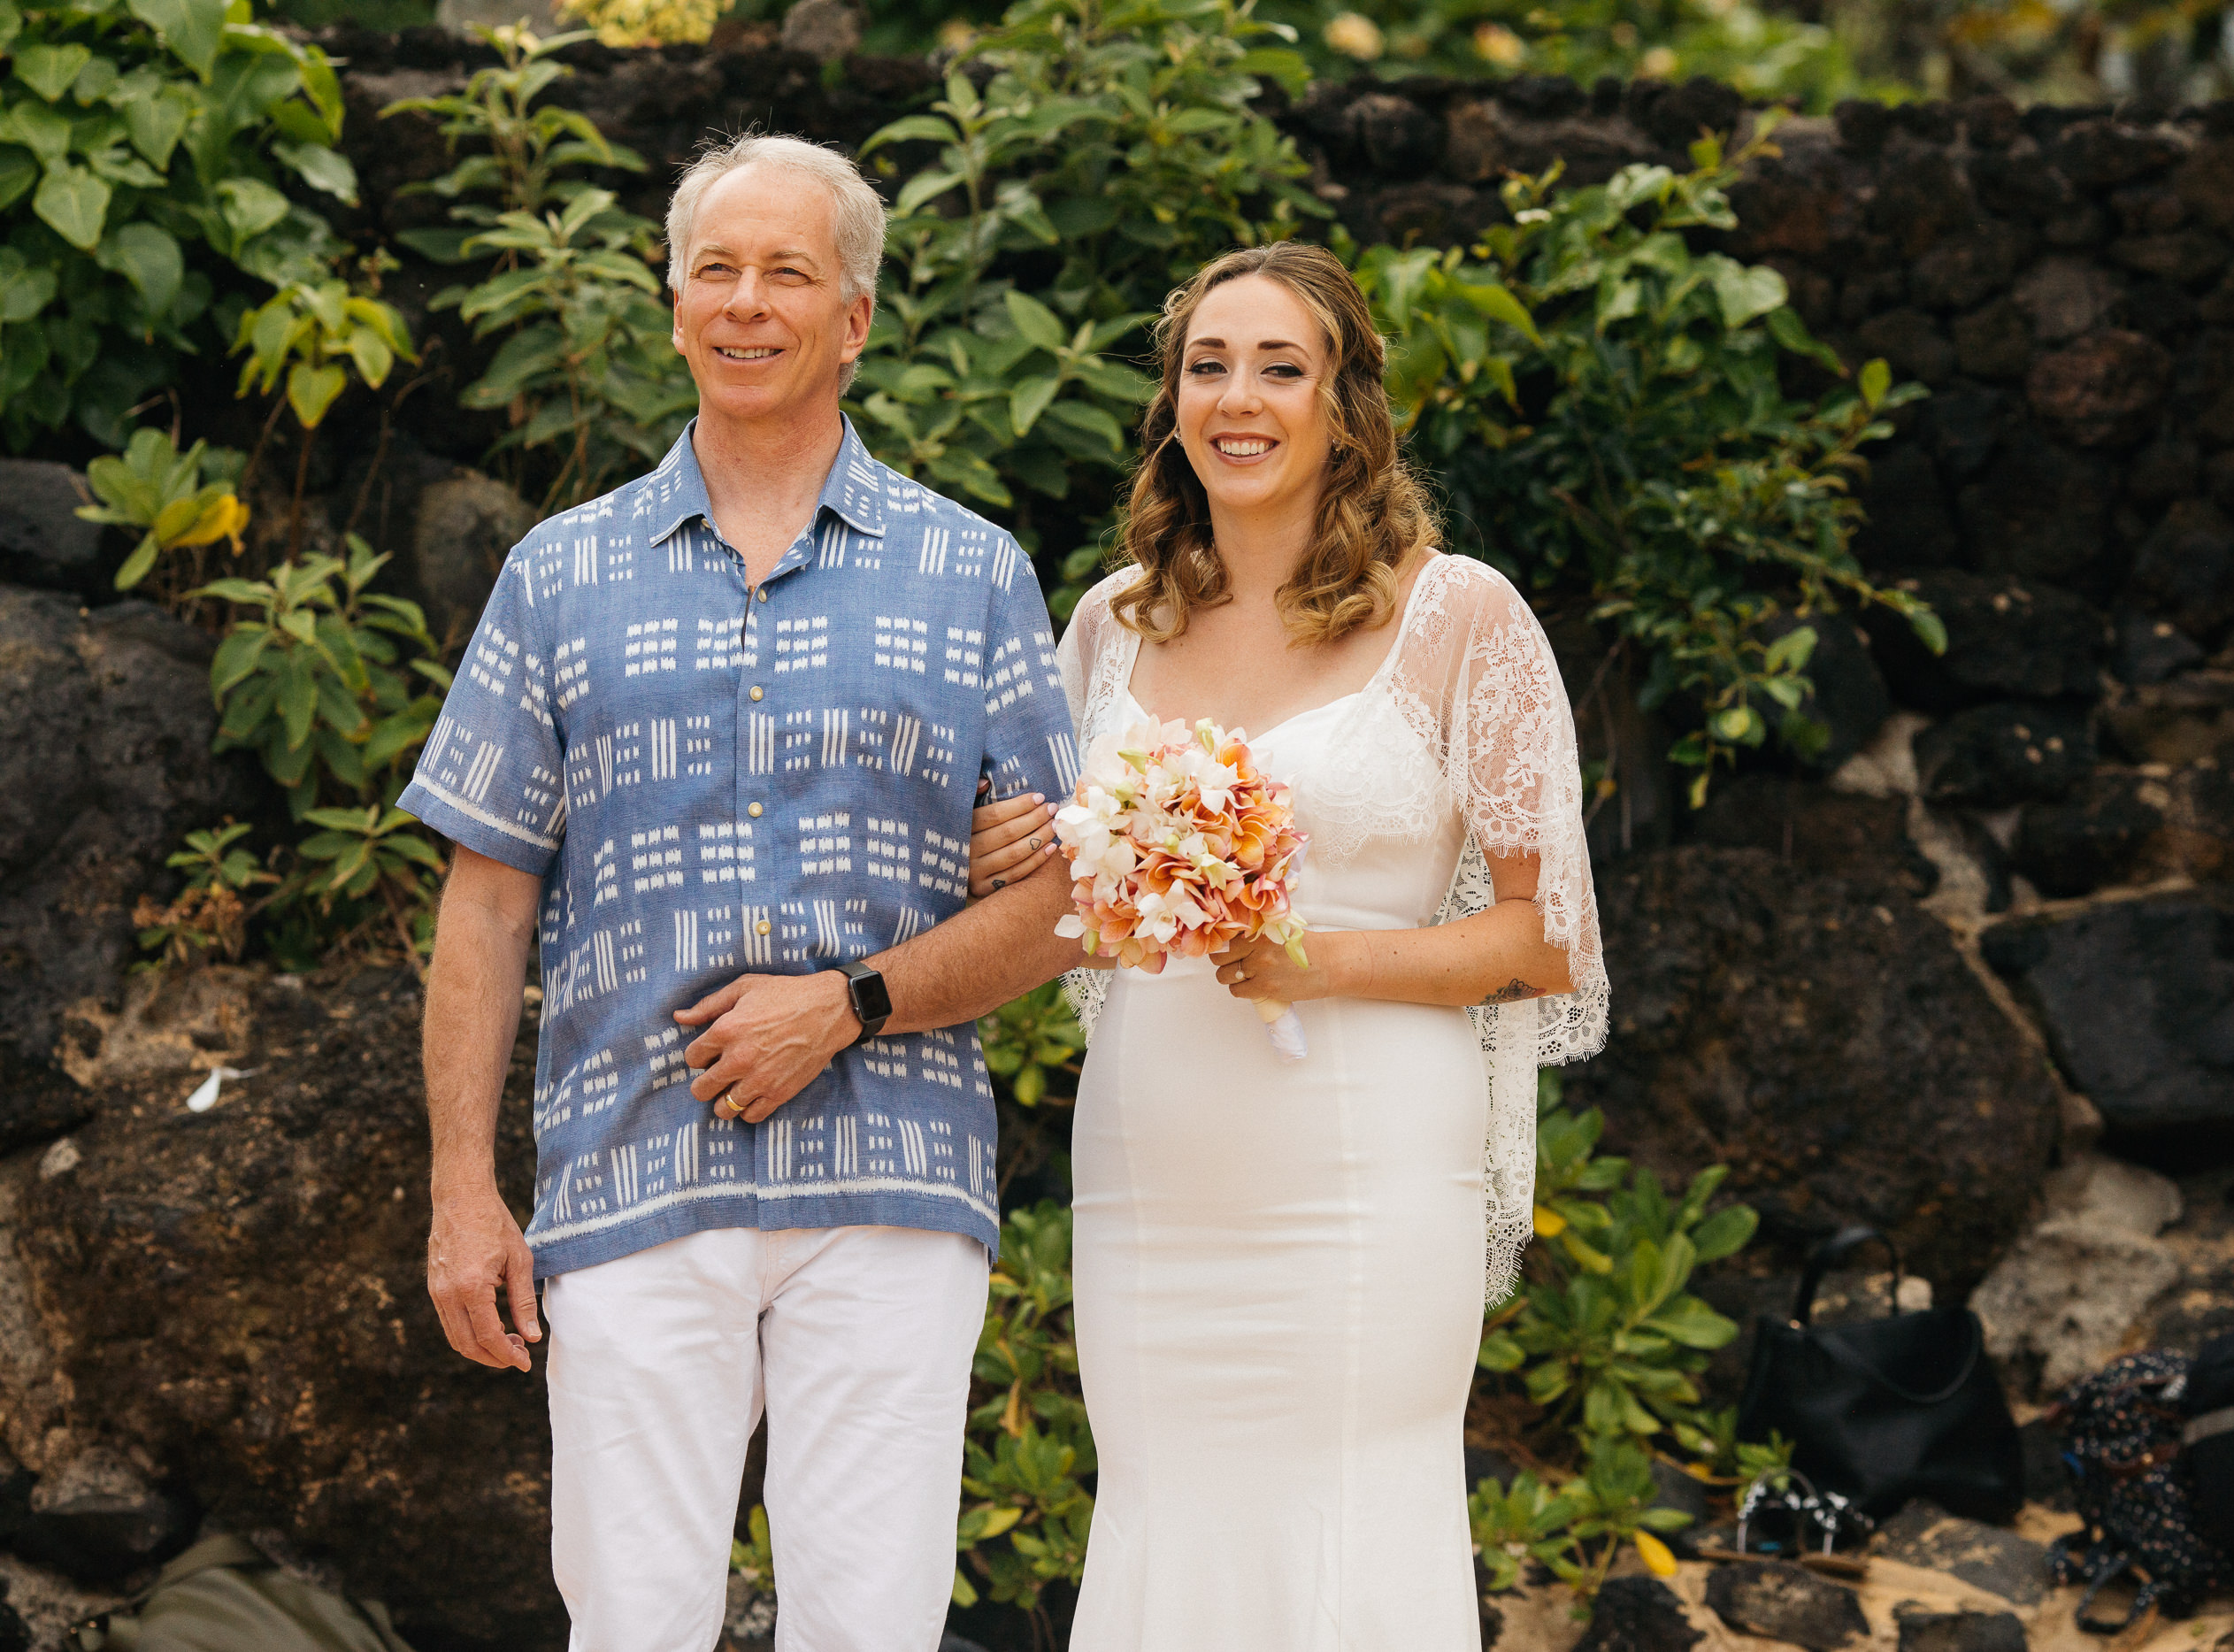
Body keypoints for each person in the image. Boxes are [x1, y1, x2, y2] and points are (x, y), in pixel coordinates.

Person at [408, 132, 1079, 1652]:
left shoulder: (972, 575)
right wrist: (462, 1189)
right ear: (671, 303)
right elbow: (485, 902)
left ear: (854, 316)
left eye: (789, 271)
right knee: (632, 1621)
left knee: (871, 1624)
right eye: (716, 268)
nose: (747, 301)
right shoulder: (559, 574)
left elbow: (1066, 896)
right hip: (628, 1172)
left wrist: (847, 1008)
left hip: (894, 1183)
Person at [972, 241, 1608, 1648]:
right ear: (1174, 403)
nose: (1237, 397)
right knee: (1159, 1506)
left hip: (1364, 1171)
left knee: (1349, 1513)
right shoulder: (1111, 627)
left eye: (1279, 366)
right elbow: (1064, 898)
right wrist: (1025, 870)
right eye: (1208, 366)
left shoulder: (1462, 617)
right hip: (1156, 1166)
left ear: (1345, 406)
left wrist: (1323, 960)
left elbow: (1544, 937)